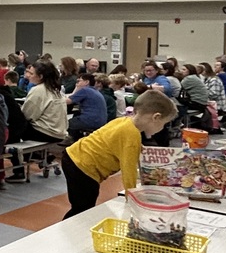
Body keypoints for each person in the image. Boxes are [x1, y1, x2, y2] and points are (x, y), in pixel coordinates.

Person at [61, 91, 178, 219]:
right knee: (82, 208)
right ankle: (66, 232)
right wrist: (132, 198)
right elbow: (128, 171)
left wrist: (138, 148)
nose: (162, 128)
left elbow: (114, 140)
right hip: (83, 167)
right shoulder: (132, 135)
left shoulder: (125, 121)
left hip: (74, 157)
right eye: (164, 123)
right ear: (156, 117)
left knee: (82, 205)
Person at [8, 60, 68, 182]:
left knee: (12, 130)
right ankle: (37, 156)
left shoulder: (38, 90)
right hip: (59, 132)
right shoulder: (56, 89)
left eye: (31, 73)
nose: (28, 75)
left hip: (45, 132)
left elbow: (28, 115)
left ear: (40, 76)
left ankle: (18, 171)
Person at [65, 73, 108, 140]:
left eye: (79, 81)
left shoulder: (85, 90)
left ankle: (71, 142)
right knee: (76, 116)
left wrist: (76, 89)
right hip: (100, 121)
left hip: (90, 120)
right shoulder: (95, 91)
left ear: (86, 82)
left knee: (67, 123)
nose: (77, 83)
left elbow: (67, 101)